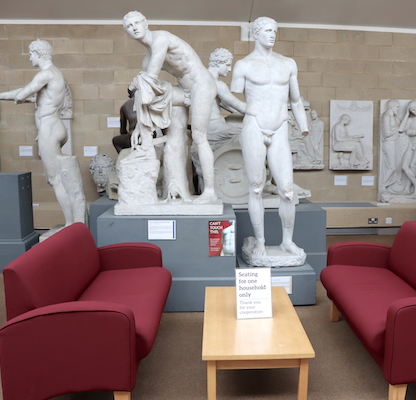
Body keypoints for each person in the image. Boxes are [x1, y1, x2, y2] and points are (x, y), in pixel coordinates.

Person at [0, 39, 85, 226]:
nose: (29, 59)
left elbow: (21, 94)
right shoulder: (55, 74)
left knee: (56, 179)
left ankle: (71, 223)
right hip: (55, 126)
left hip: (49, 128)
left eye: (30, 54)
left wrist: (16, 97)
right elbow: (28, 94)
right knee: (60, 177)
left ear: (38, 54)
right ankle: (74, 221)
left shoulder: (46, 74)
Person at [230, 16, 308, 258]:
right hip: (254, 125)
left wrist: (304, 126)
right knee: (255, 188)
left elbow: (295, 100)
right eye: (266, 30)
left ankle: (287, 242)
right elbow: (229, 97)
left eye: (274, 30)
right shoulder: (243, 65)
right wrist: (246, 109)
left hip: (280, 126)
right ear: (255, 33)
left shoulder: (288, 64)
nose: (272, 35)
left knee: (286, 190)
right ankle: (261, 242)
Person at [122, 10, 219, 204]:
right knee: (146, 92)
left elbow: (149, 78)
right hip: (183, 90)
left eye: (136, 23)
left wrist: (135, 84)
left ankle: (210, 192)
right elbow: (146, 92)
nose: (134, 28)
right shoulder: (146, 59)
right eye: (129, 27)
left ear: (145, 23)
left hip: (201, 84)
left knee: (199, 137)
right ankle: (172, 182)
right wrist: (141, 124)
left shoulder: (161, 39)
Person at [206, 48, 246, 150]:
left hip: (209, 126)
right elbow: (239, 106)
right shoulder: (217, 84)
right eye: (227, 65)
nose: (229, 69)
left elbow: (227, 105)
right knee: (249, 132)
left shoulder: (204, 79)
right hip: (214, 127)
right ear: (219, 63)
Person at [380, 100, 401, 188]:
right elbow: (386, 133)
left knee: (396, 166)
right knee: (391, 167)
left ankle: (389, 184)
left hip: (395, 143)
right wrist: (397, 130)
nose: (398, 109)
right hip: (389, 144)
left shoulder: (393, 116)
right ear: (392, 106)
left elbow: (400, 124)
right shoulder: (386, 116)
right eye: (397, 107)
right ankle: (383, 185)